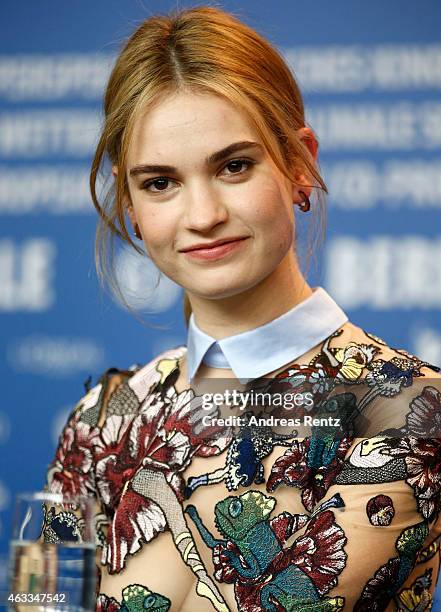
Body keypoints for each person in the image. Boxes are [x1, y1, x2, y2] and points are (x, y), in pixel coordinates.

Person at [44, 5, 441, 611]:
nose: (202, 216)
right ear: (128, 201)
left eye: (234, 166)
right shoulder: (98, 420)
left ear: (300, 164)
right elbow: (34, 598)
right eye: (160, 182)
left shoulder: (408, 409)